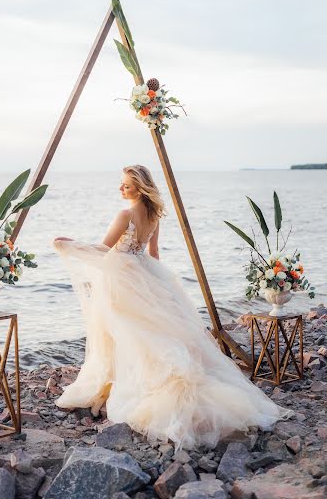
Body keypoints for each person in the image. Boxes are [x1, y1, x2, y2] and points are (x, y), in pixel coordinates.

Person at [52, 164, 294, 451]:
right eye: (121, 184)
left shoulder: (125, 214)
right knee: (143, 332)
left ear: (140, 189)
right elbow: (153, 253)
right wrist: (156, 286)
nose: (120, 189)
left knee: (126, 333)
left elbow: (104, 250)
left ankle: (128, 386)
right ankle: (126, 380)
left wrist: (69, 245)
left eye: (126, 186)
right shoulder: (154, 216)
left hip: (121, 279)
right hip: (142, 272)